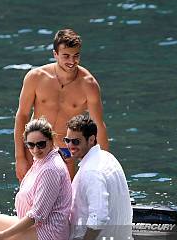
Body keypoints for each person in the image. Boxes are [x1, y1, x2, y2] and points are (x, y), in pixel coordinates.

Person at [14, 28, 109, 181]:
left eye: (76, 56)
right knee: (31, 197)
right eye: (66, 56)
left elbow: (98, 126)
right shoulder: (36, 77)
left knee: (67, 201)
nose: (72, 61)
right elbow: (22, 116)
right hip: (36, 147)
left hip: (66, 152)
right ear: (55, 54)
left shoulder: (88, 84)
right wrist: (20, 157)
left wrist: (104, 166)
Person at [0, 119, 71, 240]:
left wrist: (2, 236)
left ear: (51, 140)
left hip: (47, 236)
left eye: (41, 144)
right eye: (31, 145)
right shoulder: (44, 160)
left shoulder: (50, 169)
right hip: (43, 229)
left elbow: (36, 216)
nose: (36, 149)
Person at [65, 113, 132, 240]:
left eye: (76, 141)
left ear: (91, 139)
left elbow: (99, 218)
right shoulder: (106, 157)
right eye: (67, 140)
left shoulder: (92, 172)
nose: (70, 146)